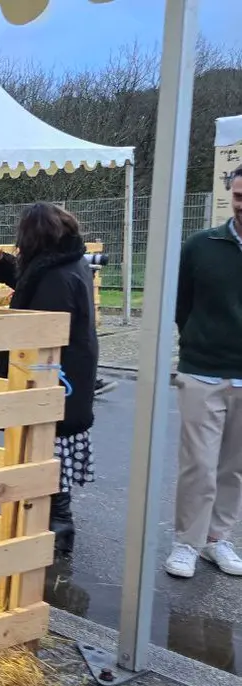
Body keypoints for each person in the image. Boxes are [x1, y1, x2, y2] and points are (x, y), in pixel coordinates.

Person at [0, 202, 99, 558]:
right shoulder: (66, 264)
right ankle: (53, 525)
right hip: (71, 377)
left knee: (47, 451)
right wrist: (8, 271)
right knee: (51, 451)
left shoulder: (57, 276)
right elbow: (35, 280)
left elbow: (40, 327)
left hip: (54, 380)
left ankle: (58, 531)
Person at [163, 164, 242, 579]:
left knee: (234, 466)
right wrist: (195, 340)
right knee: (199, 462)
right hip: (204, 370)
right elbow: (181, 303)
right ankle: (186, 543)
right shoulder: (201, 245)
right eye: (239, 196)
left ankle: (217, 540)